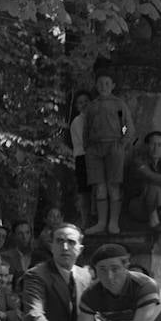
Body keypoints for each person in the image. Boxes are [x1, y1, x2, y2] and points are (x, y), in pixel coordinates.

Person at [81, 70, 134, 236]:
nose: (103, 86)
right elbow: (87, 128)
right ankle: (101, 222)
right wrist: (87, 146)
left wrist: (122, 140)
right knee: (100, 186)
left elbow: (125, 125)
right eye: (100, 83)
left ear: (112, 86)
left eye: (107, 83)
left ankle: (113, 222)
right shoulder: (92, 106)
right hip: (95, 148)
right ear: (96, 86)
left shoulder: (118, 105)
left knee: (113, 185)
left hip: (114, 146)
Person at [68, 89, 93, 227]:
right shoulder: (78, 121)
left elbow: (124, 126)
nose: (83, 104)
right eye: (80, 102)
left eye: (86, 101)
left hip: (95, 157)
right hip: (83, 158)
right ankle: (85, 221)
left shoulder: (96, 117)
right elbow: (85, 142)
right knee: (84, 191)